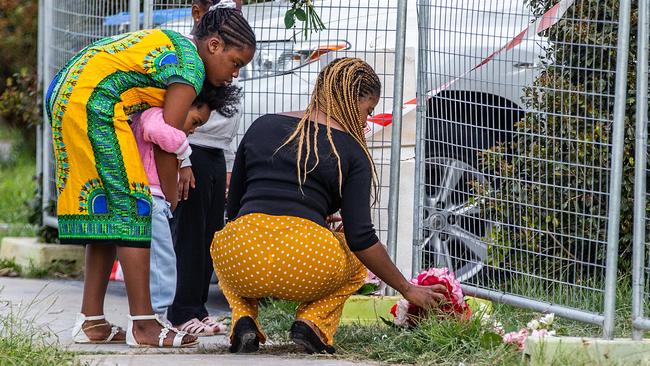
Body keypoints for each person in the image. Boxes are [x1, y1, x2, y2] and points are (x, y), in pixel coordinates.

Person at [46, 2, 255, 347]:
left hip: (70, 94)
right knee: (134, 207)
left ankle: (91, 321)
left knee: (109, 214)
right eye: (235, 63)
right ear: (214, 45)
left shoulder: (178, 47)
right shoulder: (190, 68)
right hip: (94, 103)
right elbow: (166, 140)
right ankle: (144, 324)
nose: (235, 73)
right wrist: (169, 196)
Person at [211, 58, 449, 354]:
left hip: (242, 259)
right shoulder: (351, 151)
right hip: (307, 261)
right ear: (351, 101)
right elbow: (362, 238)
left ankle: (243, 318)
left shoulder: (263, 125)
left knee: (225, 239)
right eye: (367, 111)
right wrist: (407, 288)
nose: (365, 122)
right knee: (355, 257)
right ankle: (312, 322)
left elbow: (235, 210)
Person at [167, 0, 244, 337]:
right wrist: (182, 160)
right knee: (189, 235)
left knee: (210, 234)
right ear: (199, 13)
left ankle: (197, 307)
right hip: (191, 151)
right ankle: (181, 309)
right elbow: (173, 119)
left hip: (215, 154)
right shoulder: (193, 58)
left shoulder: (229, 49)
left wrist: (226, 161)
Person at [130, 85, 222, 320]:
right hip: (149, 197)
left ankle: (154, 317)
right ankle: (157, 319)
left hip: (152, 198)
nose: (192, 130)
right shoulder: (155, 115)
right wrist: (184, 150)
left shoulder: (159, 118)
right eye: (195, 121)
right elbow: (153, 129)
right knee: (163, 262)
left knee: (159, 261)